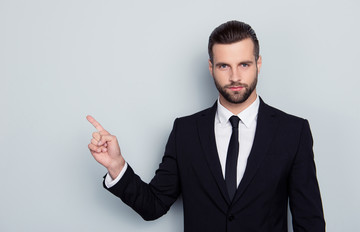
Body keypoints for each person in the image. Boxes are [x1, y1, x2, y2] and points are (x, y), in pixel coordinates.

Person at [87, 20, 325, 231]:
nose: (234, 77)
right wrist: (117, 166)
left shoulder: (293, 132)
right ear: (211, 68)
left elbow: (310, 221)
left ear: (258, 63)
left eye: (244, 64)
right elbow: (154, 205)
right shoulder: (186, 132)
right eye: (224, 66)